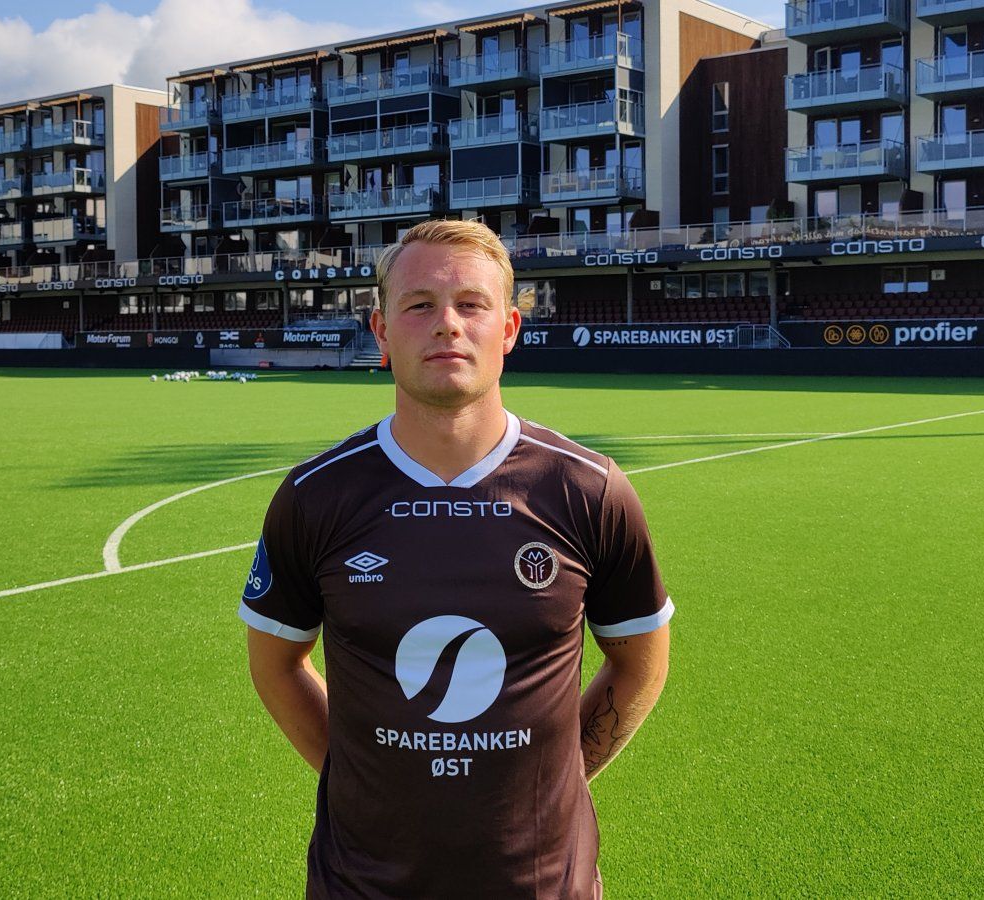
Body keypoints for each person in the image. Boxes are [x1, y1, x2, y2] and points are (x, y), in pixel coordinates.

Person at [239, 218, 672, 899]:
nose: (447, 324)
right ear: (381, 332)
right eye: (419, 305)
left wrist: (561, 775)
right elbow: (276, 665)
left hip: (542, 884)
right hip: (362, 885)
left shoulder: (588, 489)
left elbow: (641, 661)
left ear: (509, 329)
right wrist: (362, 778)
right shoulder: (315, 495)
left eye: (472, 304)